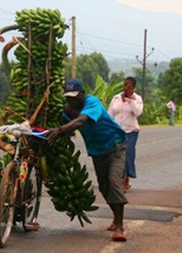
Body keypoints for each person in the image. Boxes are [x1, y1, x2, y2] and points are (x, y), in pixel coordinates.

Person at [46, 79, 128, 242]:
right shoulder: (68, 110)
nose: (72, 100)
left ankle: (119, 226)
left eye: (75, 97)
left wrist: (60, 130)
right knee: (104, 188)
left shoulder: (92, 102)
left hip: (115, 147)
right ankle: (115, 218)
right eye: (68, 97)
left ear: (82, 94)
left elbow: (82, 120)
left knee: (113, 181)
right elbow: (62, 120)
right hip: (97, 153)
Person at [108, 76, 143, 192]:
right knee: (117, 156)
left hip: (131, 131)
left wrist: (130, 99)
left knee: (128, 154)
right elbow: (110, 114)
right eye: (124, 85)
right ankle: (119, 179)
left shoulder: (137, 99)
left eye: (129, 86)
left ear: (133, 88)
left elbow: (137, 112)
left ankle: (126, 180)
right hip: (117, 131)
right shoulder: (116, 98)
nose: (126, 88)